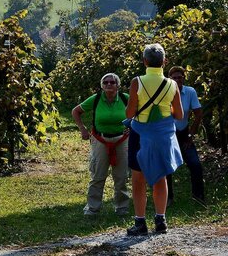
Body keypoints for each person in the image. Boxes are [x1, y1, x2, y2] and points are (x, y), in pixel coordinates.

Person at [125, 43, 184, 236]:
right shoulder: (172, 84)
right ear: (164, 62)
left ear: (144, 61)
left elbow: (130, 112)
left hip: (140, 134)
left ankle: (140, 222)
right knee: (161, 176)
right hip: (164, 136)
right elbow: (179, 115)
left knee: (138, 179)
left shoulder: (137, 82)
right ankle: (161, 220)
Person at [71, 73, 130, 216]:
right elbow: (76, 111)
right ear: (102, 85)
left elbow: (140, 112)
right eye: (106, 82)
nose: (109, 84)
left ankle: (122, 208)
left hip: (122, 140)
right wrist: (83, 129)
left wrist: (133, 126)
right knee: (97, 175)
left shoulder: (125, 98)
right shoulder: (96, 99)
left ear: (118, 85)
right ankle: (92, 208)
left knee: (121, 176)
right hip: (100, 140)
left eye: (112, 82)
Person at [165, 66, 205, 204]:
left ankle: (198, 196)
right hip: (168, 133)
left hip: (184, 133)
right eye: (174, 78)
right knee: (167, 166)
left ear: (183, 78)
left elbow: (198, 113)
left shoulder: (190, 92)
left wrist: (191, 134)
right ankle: (168, 197)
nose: (177, 80)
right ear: (169, 79)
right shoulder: (165, 93)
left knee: (195, 164)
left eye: (179, 77)